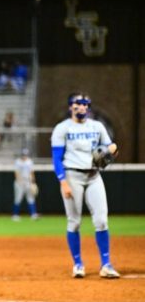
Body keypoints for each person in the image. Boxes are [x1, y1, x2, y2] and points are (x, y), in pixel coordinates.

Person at [51, 92, 120, 279]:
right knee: (74, 222)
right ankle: (78, 264)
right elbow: (56, 158)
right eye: (78, 103)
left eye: (85, 104)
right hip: (72, 176)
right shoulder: (62, 128)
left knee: (102, 221)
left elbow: (111, 147)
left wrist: (111, 150)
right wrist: (63, 181)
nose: (82, 107)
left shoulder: (97, 126)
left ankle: (106, 264)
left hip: (94, 175)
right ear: (70, 106)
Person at [12, 148, 38, 221]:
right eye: (23, 155)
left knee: (31, 198)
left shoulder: (29, 162)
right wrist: (18, 181)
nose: (24, 156)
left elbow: (32, 172)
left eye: (25, 155)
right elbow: (16, 172)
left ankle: (33, 214)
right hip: (20, 182)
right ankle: (15, 215)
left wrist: (33, 182)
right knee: (18, 199)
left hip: (28, 182)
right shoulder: (18, 162)